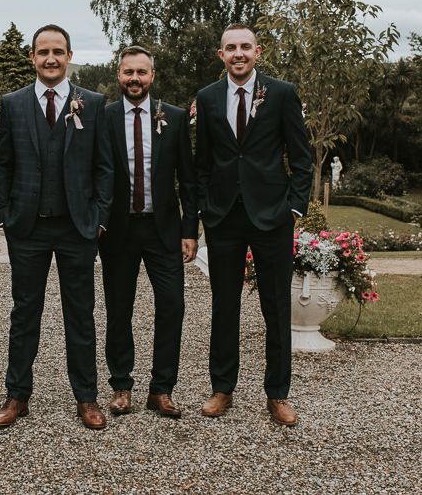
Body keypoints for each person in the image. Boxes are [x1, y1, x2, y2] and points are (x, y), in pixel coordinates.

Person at [0, 24, 113, 429]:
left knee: (81, 315)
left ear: (69, 55)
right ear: (32, 57)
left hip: (77, 228)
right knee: (24, 313)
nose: (50, 58)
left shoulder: (92, 103)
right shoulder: (13, 103)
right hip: (27, 228)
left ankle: (86, 398)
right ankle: (16, 395)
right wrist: (5, 214)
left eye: (58, 51)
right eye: (43, 51)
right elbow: (3, 162)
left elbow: (104, 166)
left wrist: (97, 217)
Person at [195, 23, 312, 426]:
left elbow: (302, 158)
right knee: (224, 306)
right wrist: (205, 210)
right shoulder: (207, 98)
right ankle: (222, 388)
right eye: (231, 48)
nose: (239, 53)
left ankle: (278, 394)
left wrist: (294, 209)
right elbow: (203, 164)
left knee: (276, 307)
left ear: (257, 52)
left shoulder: (281, 93)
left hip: (272, 218)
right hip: (224, 217)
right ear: (221, 55)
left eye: (246, 47)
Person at [98, 46, 198, 418]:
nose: (135, 79)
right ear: (119, 75)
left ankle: (161, 389)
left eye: (141, 72)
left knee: (172, 306)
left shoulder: (171, 117)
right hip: (119, 231)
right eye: (128, 72)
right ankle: (121, 385)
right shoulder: (103, 117)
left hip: (163, 230)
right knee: (119, 310)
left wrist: (191, 229)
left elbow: (187, 179)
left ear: (152, 76)